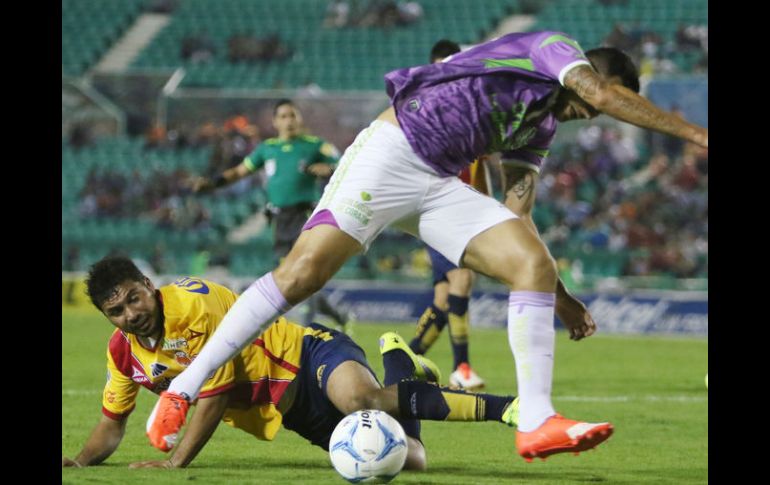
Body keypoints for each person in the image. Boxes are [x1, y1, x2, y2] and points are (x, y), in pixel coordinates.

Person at [150, 31, 707, 462]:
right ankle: (186, 386)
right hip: (392, 152)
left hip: (440, 184)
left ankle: (537, 419)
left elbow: (518, 213)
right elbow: (602, 94)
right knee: (301, 277)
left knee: (532, 260)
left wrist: (556, 295)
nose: (589, 113)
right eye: (596, 101)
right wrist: (698, 134)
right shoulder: (551, 47)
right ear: (589, 71)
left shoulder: (537, 129)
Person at [61, 256, 520, 470]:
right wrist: (80, 463)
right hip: (291, 407)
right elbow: (112, 422)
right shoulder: (123, 353)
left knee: (362, 397)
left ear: (148, 284)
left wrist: (176, 462)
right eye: (116, 312)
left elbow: (215, 396)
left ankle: (506, 408)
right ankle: (400, 359)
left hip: (307, 352)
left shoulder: (192, 305)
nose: (131, 314)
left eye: (134, 299)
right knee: (409, 461)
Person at [192, 99, 352, 332]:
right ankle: (338, 314)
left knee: (301, 273)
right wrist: (212, 184)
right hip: (279, 220)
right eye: (284, 116)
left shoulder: (315, 146)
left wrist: (328, 169)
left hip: (305, 215)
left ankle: (307, 332)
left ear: (300, 119)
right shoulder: (267, 149)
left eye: (293, 115)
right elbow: (240, 171)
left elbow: (343, 165)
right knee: (293, 276)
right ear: (276, 121)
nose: (289, 121)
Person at [407, 39, 488, 391]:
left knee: (444, 299)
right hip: (438, 210)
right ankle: (462, 368)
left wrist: (485, 204)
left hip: (465, 210)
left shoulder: (471, 112)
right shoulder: (423, 111)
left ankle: (404, 360)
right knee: (462, 282)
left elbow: (480, 162)